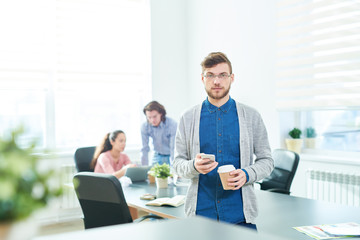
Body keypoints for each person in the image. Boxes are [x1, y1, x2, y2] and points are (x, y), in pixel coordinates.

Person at [173, 52, 274, 230]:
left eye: (222, 75)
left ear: (231, 78)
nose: (216, 81)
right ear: (202, 79)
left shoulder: (251, 116)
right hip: (200, 216)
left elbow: (267, 161)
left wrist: (247, 174)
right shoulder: (188, 118)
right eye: (210, 75)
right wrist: (194, 167)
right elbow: (177, 164)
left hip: (240, 216)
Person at [141, 101, 177, 166]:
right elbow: (144, 148)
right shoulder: (145, 126)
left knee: (172, 173)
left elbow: (173, 148)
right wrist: (144, 168)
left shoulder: (172, 124)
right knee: (152, 174)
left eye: (154, 116)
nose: (152, 120)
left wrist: (174, 166)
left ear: (161, 114)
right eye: (149, 117)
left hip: (170, 155)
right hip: (157, 155)